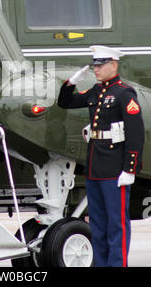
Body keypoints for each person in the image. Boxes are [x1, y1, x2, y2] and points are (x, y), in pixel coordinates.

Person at [57, 45, 145, 267]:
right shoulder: (97, 91)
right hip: (95, 167)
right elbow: (65, 103)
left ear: (113, 65)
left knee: (116, 224)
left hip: (115, 169)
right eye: (94, 65)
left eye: (101, 65)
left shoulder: (124, 93)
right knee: (97, 223)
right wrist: (71, 83)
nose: (96, 69)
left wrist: (130, 168)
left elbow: (135, 133)